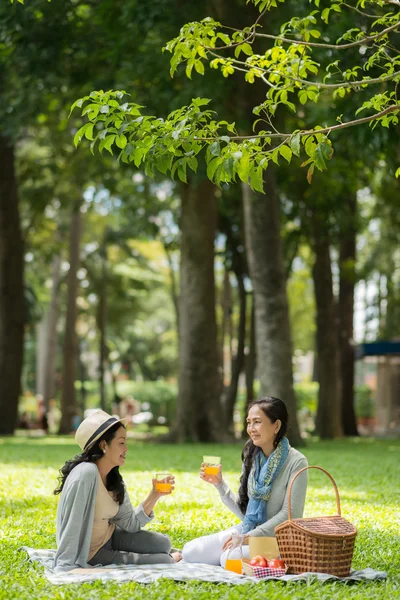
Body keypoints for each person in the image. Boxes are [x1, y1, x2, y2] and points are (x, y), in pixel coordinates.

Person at [182, 397, 308, 567]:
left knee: (228, 559)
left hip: (279, 540)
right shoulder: (253, 457)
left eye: (257, 422)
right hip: (248, 529)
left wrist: (250, 537)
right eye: (249, 422)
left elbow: (290, 515)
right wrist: (220, 484)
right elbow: (245, 513)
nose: (251, 429)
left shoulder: (297, 461)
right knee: (190, 551)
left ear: (276, 426)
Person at [53, 409, 179, 572]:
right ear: (104, 445)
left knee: (164, 543)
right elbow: (72, 522)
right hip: (94, 552)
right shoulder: (86, 473)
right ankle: (166, 559)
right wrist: (65, 563)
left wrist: (154, 495)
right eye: (121, 443)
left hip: (111, 535)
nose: (126, 449)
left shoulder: (113, 478)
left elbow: (130, 524)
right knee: (164, 560)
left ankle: (164, 557)